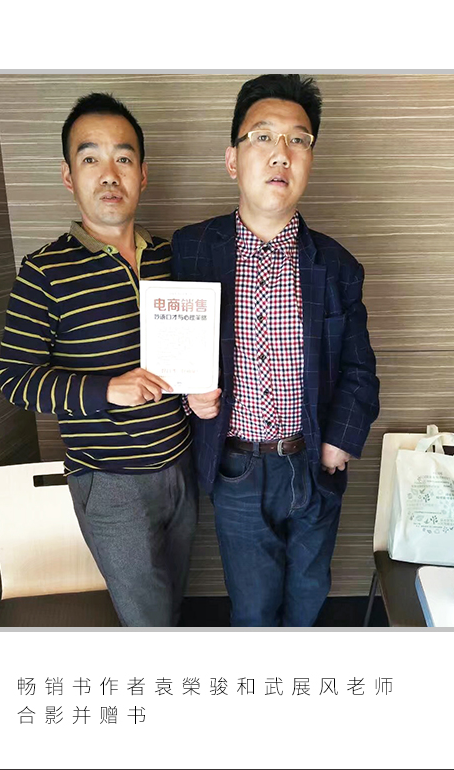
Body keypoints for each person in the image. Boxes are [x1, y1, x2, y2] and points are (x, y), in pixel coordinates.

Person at [172, 74, 379, 627]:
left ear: (310, 160)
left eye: (298, 140)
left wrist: (338, 443)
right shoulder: (191, 249)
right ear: (232, 159)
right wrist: (188, 395)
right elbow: (167, 346)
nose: (280, 153)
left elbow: (360, 368)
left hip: (314, 461)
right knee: (253, 606)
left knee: (310, 592)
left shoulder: (337, 265)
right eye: (262, 137)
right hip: (235, 464)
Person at [0, 93, 197, 627]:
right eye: (91, 158)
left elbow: (197, 350)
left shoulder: (172, 256)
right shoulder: (44, 271)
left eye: (123, 158)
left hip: (181, 465)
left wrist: (202, 391)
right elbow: (15, 379)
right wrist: (106, 388)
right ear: (69, 175)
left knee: (176, 602)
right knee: (148, 621)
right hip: (110, 483)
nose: (110, 174)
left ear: (143, 174)